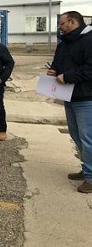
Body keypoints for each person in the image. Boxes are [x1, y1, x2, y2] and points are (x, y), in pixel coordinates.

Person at [47, 11, 92, 194]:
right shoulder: (64, 42)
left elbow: (90, 69)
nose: (59, 26)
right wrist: (54, 70)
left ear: (72, 22)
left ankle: (90, 178)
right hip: (69, 96)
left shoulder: (89, 40)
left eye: (62, 23)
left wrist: (67, 76)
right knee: (75, 135)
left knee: (88, 139)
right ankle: (87, 168)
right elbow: (59, 64)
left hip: (86, 97)